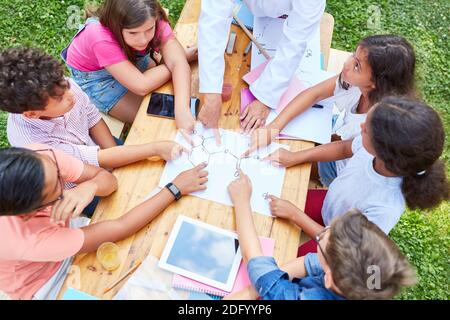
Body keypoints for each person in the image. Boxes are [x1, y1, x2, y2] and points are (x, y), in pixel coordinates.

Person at [0, 145, 209, 300]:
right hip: (46, 282)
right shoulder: (28, 240)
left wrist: (90, 186)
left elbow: (109, 182)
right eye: (56, 186)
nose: (61, 175)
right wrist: (175, 188)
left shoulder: (42, 161)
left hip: (64, 235)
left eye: (57, 170)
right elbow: (120, 227)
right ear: (29, 211)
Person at [263, 96, 449, 255]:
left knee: (280, 259)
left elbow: (338, 244)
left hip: (336, 245)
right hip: (330, 205)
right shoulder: (377, 149)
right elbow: (344, 147)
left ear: (385, 153)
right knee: (270, 203)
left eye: (367, 128)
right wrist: (296, 157)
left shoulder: (385, 208)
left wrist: (294, 215)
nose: (361, 125)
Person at [246, 35, 416, 186]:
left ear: (375, 83)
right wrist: (275, 126)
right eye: (353, 55)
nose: (347, 63)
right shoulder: (357, 84)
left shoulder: (377, 125)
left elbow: (343, 149)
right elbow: (315, 93)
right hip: (337, 143)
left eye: (357, 65)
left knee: (283, 174)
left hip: (338, 171)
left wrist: (295, 157)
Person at [226, 172, 416, 300]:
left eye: (325, 233)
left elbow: (255, 260)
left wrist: (241, 200)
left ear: (329, 279)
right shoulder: (358, 276)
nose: (324, 230)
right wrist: (257, 288)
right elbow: (305, 264)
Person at [0, 47, 187, 171]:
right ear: (32, 114)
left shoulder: (63, 87)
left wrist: (117, 157)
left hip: (96, 148)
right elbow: (92, 160)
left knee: (155, 168)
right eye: (60, 98)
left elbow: (92, 118)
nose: (70, 94)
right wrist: (153, 148)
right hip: (78, 183)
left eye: (64, 83)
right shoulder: (33, 143)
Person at [63, 0, 197, 137]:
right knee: (157, 121)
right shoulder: (99, 36)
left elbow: (176, 64)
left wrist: (182, 109)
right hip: (100, 81)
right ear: (116, 25)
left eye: (150, 29)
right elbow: (141, 85)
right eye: (133, 33)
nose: (143, 40)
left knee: (175, 98)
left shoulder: (149, 16)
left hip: (130, 58)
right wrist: (178, 60)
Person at [198, 0, 326, 140]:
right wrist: (211, 92)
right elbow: (214, 20)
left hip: (290, 14)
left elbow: (294, 44)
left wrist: (266, 96)